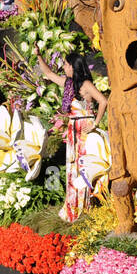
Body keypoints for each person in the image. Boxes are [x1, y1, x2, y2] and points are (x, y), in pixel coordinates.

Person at [37, 51, 108, 223]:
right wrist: (38, 55)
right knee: (72, 168)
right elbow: (48, 74)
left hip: (84, 132)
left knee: (82, 168)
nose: (63, 67)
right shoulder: (69, 84)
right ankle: (72, 206)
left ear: (73, 66)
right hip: (72, 131)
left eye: (66, 64)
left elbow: (104, 101)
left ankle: (84, 208)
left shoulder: (86, 85)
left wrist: (95, 124)